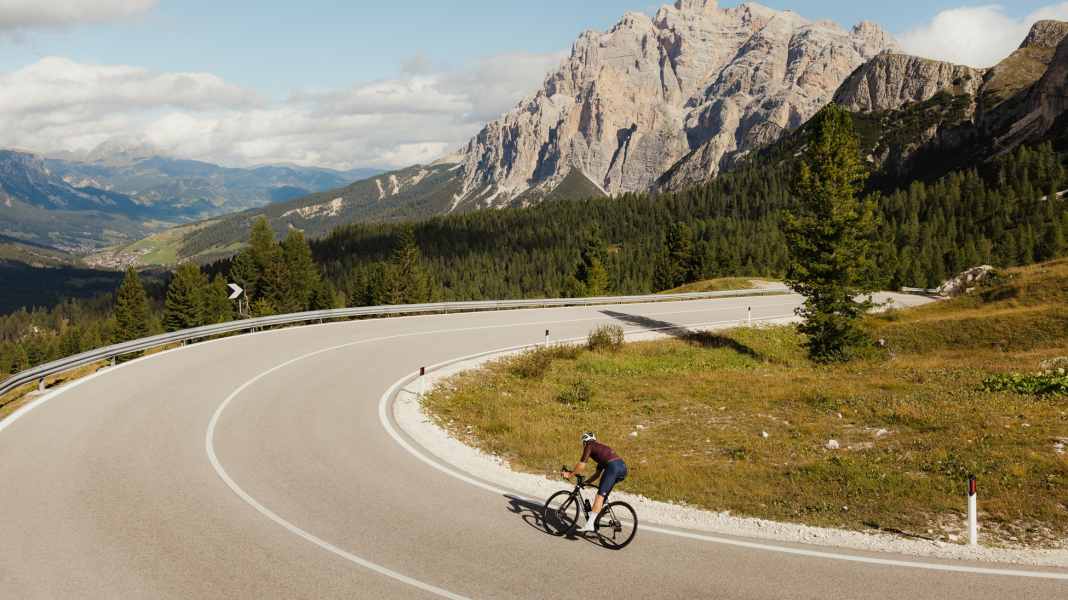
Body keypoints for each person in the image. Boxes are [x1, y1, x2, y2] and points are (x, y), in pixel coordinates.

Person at [562, 432, 628, 533]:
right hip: (622, 468)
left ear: (585, 442)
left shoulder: (589, 446)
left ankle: (590, 525)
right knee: (603, 496)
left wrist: (570, 475)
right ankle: (597, 520)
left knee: (599, 496)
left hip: (613, 467)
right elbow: (597, 474)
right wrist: (586, 482)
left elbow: (581, 465)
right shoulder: (601, 450)